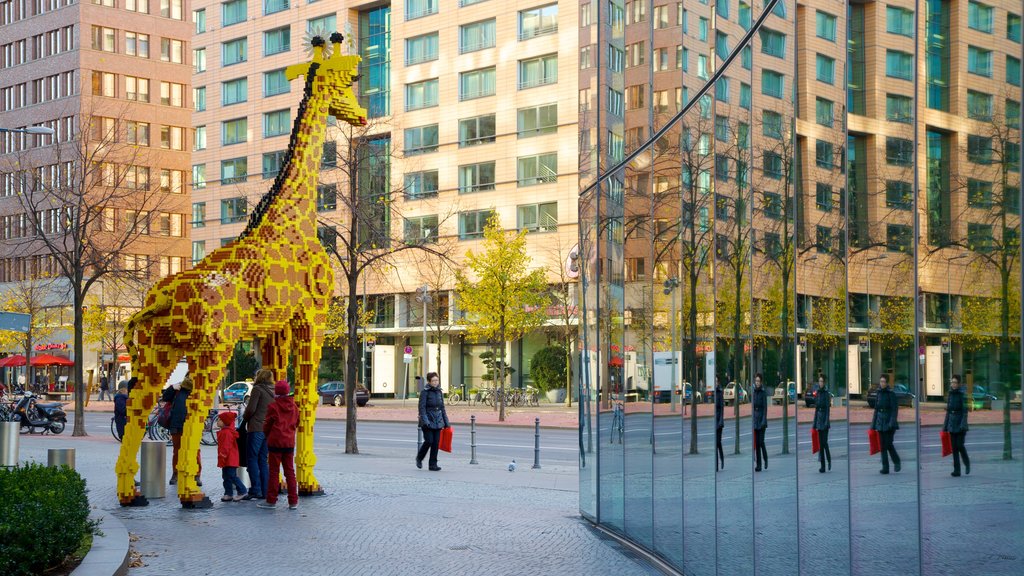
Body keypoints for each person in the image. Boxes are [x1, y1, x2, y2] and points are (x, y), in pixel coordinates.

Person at [257, 380, 299, 510]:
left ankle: (271, 500)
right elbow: (297, 422)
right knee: (290, 472)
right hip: (289, 443)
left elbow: (267, 425)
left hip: (275, 442)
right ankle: (293, 501)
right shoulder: (294, 407)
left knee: (274, 472)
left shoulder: (273, 407)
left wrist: (267, 434)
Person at [241, 368, 274, 500]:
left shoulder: (258, 389)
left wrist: (245, 417)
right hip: (268, 429)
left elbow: (251, 409)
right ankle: (265, 490)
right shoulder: (274, 391)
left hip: (256, 427)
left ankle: (255, 489)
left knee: (252, 458)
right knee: (263, 459)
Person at [168, 377, 201, 486]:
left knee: (195, 451)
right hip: (177, 425)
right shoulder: (178, 389)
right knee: (177, 451)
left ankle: (196, 474)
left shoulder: (199, 390)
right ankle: (176, 473)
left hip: (193, 426)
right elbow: (165, 397)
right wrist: (172, 388)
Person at [416, 371, 449, 471]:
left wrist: (446, 422)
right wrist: (426, 421)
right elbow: (422, 408)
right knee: (429, 441)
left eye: (437, 380)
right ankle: (419, 458)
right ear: (429, 381)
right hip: (427, 420)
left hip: (438, 420)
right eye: (433, 380)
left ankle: (432, 464)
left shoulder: (439, 392)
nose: (435, 382)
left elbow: (442, 408)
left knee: (435, 443)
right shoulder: (424, 392)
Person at [871, 374, 901, 474]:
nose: (882, 383)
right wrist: (873, 425)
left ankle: (897, 461)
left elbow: (894, 410)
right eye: (881, 381)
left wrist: (891, 423)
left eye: (884, 381)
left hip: (889, 423)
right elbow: (876, 410)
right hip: (880, 422)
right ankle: (885, 467)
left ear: (887, 382)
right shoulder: (878, 393)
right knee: (882, 446)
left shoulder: (891, 394)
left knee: (888, 444)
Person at [216, 411, 247, 502]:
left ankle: (242, 490)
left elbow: (225, 447)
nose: (217, 422)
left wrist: (222, 456)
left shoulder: (227, 433)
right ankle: (228, 493)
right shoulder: (225, 432)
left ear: (225, 422)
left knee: (231, 475)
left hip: (229, 458)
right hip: (227, 458)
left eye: (219, 420)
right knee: (226, 476)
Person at [944, 374, 970, 477]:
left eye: (955, 382)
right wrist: (945, 425)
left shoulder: (962, 394)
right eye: (952, 382)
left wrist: (962, 424)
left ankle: (967, 463)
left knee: (960, 445)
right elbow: (948, 411)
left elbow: (965, 411)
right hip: (952, 423)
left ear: (959, 384)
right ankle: (957, 470)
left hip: (960, 423)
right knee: (954, 448)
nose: (953, 384)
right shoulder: (950, 394)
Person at [813, 375, 832, 473]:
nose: (820, 383)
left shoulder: (826, 393)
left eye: (821, 381)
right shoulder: (818, 393)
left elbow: (828, 410)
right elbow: (816, 409)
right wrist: (814, 423)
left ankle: (829, 460)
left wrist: (825, 422)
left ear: (824, 382)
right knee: (821, 444)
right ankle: (822, 466)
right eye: (819, 381)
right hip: (819, 420)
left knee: (824, 443)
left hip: (824, 420)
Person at [751, 373, 768, 472]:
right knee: (756, 443)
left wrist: (763, 421)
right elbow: (753, 408)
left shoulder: (763, 392)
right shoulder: (754, 392)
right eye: (756, 381)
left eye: (758, 381)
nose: (757, 383)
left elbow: (765, 408)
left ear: (761, 382)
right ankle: (758, 465)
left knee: (761, 442)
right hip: (755, 419)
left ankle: (765, 459)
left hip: (762, 419)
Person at [714, 375, 725, 470]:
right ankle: (716, 465)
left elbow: (721, 408)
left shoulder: (720, 393)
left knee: (718, 442)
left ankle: (721, 458)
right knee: (716, 443)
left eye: (716, 381)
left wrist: (721, 421)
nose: (715, 383)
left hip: (719, 421)